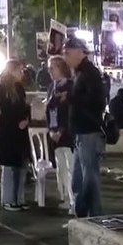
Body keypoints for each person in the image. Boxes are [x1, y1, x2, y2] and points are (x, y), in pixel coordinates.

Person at [64, 37, 107, 217]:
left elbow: (97, 101)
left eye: (68, 53)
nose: (66, 57)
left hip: (89, 130)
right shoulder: (81, 73)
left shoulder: (89, 73)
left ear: (79, 52)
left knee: (88, 176)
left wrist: (71, 98)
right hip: (82, 130)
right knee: (81, 177)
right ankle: (86, 212)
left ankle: (90, 213)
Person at [0, 60, 31, 211]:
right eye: (19, 70)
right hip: (8, 131)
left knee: (21, 166)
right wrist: (18, 121)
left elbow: (25, 106)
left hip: (20, 130)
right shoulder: (1, 88)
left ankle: (19, 198)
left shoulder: (20, 88)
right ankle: (8, 199)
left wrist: (26, 119)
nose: (22, 73)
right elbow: (4, 109)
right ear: (12, 71)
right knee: (9, 166)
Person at [46, 56, 75, 213]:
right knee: (61, 168)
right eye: (49, 68)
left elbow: (70, 111)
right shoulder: (52, 87)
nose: (50, 71)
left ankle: (74, 200)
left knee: (70, 167)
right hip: (55, 132)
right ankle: (65, 197)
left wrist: (62, 129)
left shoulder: (70, 87)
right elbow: (49, 110)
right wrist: (51, 129)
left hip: (67, 133)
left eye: (53, 67)